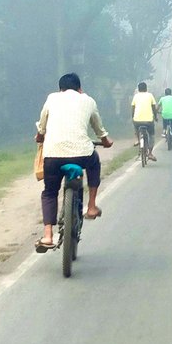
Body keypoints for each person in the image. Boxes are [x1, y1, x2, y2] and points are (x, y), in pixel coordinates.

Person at [34, 73, 113, 252]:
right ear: (80, 89)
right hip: (82, 154)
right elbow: (98, 128)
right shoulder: (88, 100)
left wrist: (39, 136)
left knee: (49, 192)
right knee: (94, 162)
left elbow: (42, 126)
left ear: (60, 89)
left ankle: (47, 235)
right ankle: (91, 206)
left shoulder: (52, 99)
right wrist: (106, 141)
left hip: (53, 156)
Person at [131, 82, 157, 161]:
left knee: (136, 128)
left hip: (137, 120)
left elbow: (133, 108)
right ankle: (150, 153)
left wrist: (133, 117)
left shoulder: (136, 96)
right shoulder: (150, 95)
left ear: (138, 89)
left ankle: (138, 140)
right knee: (151, 135)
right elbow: (154, 108)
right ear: (146, 88)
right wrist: (155, 117)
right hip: (148, 121)